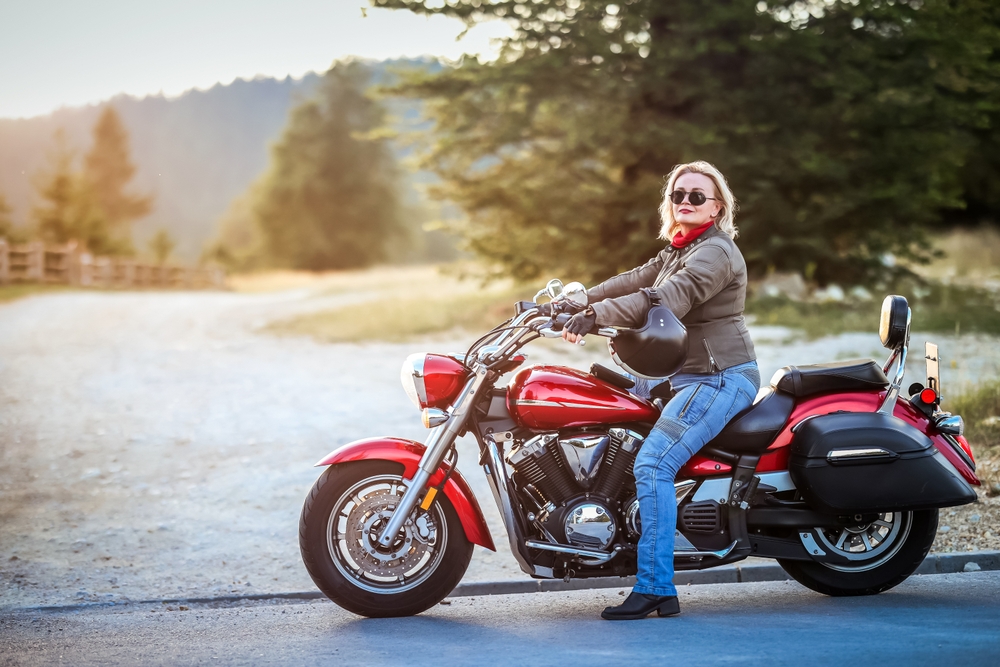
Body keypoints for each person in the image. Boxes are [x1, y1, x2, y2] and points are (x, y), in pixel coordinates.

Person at [561, 161, 759, 620]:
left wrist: (597, 315)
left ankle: (655, 587)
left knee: (653, 463)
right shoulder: (679, 249)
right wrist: (575, 300)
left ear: (717, 206)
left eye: (696, 195)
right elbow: (635, 279)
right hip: (681, 373)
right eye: (678, 194)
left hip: (718, 377)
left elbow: (666, 296)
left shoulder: (716, 253)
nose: (685, 202)